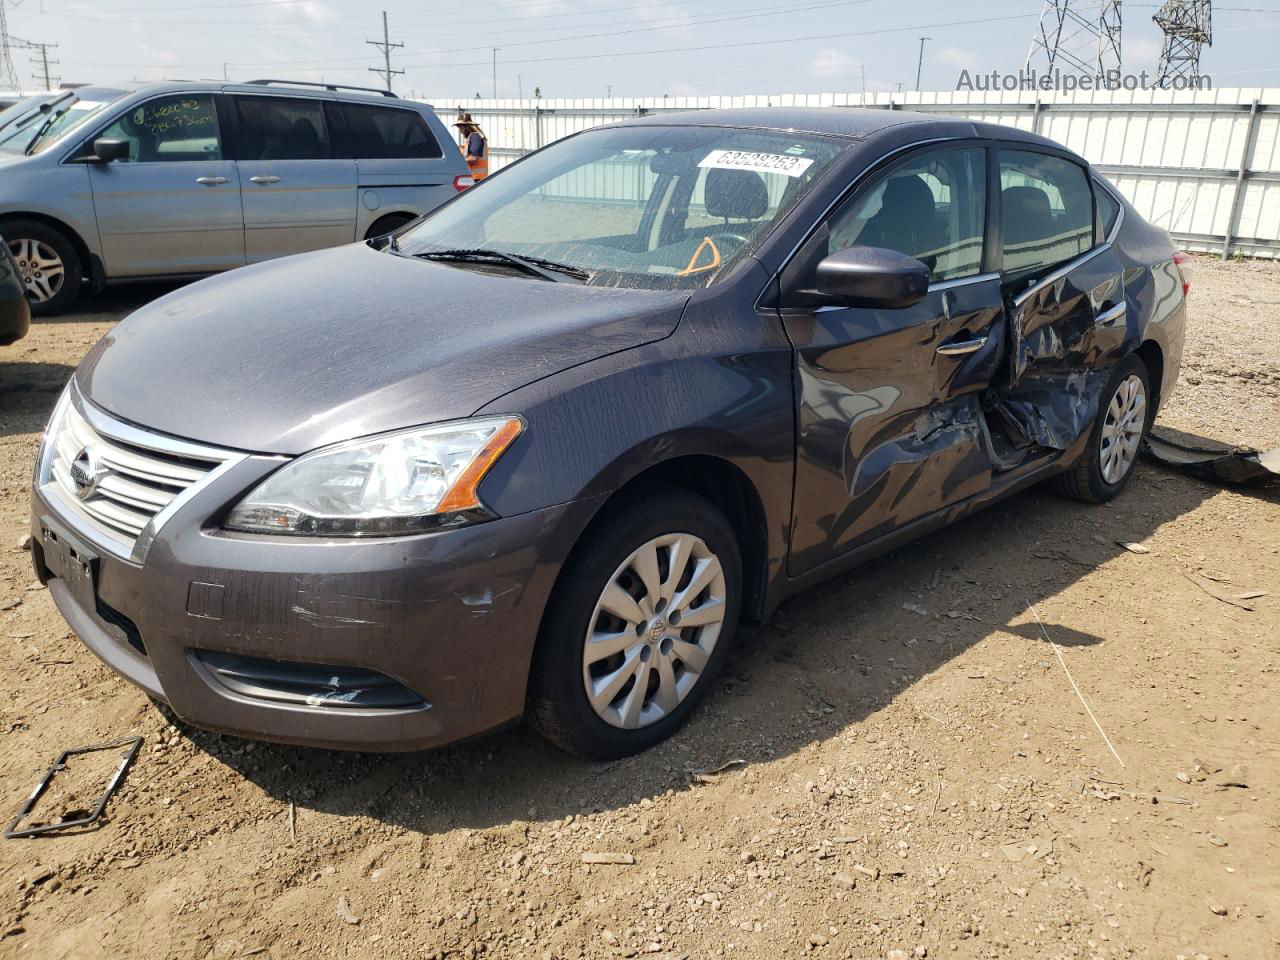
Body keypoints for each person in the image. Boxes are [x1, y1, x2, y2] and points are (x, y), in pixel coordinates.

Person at [454, 111, 489, 181]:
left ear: (467, 127)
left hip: (476, 179)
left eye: (461, 128)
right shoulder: (471, 138)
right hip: (474, 178)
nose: (460, 131)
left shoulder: (475, 137)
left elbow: (473, 158)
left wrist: (457, 162)